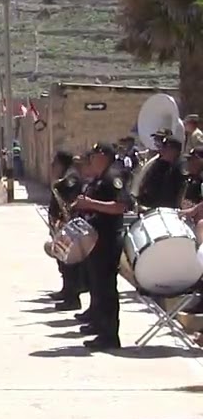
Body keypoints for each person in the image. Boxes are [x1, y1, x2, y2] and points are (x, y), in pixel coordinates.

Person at [73, 142, 130, 350]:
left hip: (107, 239)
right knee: (97, 286)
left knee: (106, 289)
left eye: (95, 155)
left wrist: (89, 204)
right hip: (95, 239)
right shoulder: (100, 178)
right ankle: (99, 325)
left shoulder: (113, 176)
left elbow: (121, 206)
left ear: (105, 156)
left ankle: (109, 336)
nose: (92, 160)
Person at [47, 151, 86, 312]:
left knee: (69, 261)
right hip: (61, 223)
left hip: (69, 225)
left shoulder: (71, 178)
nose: (52, 166)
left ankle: (72, 298)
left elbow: (69, 195)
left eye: (55, 163)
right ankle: (66, 291)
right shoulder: (66, 177)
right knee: (62, 259)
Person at [133, 130, 183, 210]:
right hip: (151, 209)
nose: (161, 149)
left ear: (174, 150)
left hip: (169, 211)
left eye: (165, 147)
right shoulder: (158, 164)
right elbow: (146, 184)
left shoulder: (180, 168)